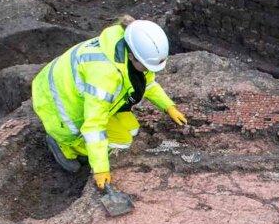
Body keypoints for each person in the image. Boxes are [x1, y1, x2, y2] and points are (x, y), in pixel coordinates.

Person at [31, 16, 188, 189]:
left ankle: (83, 144)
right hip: (57, 105)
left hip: (75, 93)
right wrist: (100, 169)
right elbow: (94, 126)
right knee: (122, 142)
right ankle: (65, 146)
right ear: (132, 56)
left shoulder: (127, 47)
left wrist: (168, 106)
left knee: (132, 129)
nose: (150, 70)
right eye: (147, 66)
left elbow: (147, 83)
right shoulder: (104, 76)